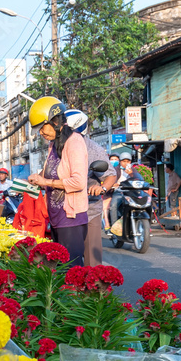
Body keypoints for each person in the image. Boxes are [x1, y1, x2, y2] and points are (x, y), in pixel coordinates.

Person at [27, 97, 89, 266]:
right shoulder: (53, 144)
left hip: (71, 219)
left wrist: (45, 181)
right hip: (55, 218)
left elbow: (78, 182)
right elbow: (51, 172)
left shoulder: (74, 141)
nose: (40, 132)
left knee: (71, 270)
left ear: (55, 121)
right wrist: (37, 178)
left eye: (42, 126)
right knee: (58, 270)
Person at [65, 109, 118, 266]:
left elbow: (110, 175)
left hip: (89, 209)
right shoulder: (55, 147)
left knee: (92, 263)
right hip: (63, 211)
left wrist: (101, 189)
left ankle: (94, 290)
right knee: (64, 262)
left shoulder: (93, 149)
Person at [103, 154, 121, 229]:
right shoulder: (106, 169)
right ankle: (107, 223)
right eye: (112, 159)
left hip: (121, 192)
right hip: (109, 191)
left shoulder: (123, 170)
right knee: (106, 206)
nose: (114, 161)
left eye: (115, 159)